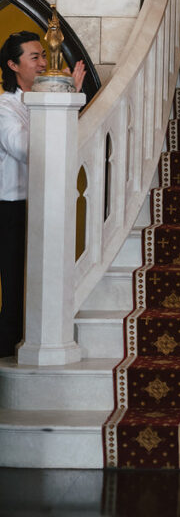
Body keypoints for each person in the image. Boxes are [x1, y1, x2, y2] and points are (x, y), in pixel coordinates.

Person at [0, 31, 85, 357]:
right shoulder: (5, 106)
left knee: (40, 286)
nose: (42, 63)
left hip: (44, 202)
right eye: (33, 57)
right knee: (15, 284)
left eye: (43, 56)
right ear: (13, 65)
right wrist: (59, 101)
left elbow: (62, 147)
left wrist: (66, 101)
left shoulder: (43, 100)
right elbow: (26, 149)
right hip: (12, 208)